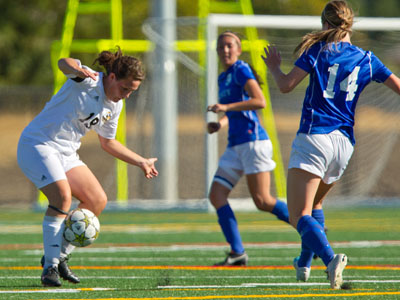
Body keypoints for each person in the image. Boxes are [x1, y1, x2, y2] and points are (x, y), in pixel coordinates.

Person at [262, 0, 400, 289]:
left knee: (298, 213)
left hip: (315, 136)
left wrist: (274, 68)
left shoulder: (318, 51)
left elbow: (286, 85)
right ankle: (303, 261)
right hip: (344, 145)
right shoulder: (367, 58)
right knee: (316, 203)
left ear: (325, 24)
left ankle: (329, 259)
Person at [17, 47, 158, 287]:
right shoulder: (87, 80)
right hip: (38, 145)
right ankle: (49, 268)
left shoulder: (115, 105)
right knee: (62, 197)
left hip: (66, 153)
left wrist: (141, 161)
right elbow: (64, 62)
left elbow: (108, 142)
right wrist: (77, 68)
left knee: (97, 200)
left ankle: (58, 256)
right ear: (111, 77)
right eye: (125, 89)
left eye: (132, 92)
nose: (126, 96)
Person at [206, 31, 290, 266]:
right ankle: (237, 252)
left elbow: (259, 101)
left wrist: (225, 106)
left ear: (239, 49)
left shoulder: (242, 69)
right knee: (216, 195)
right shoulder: (223, 78)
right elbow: (236, 112)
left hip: (253, 143)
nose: (225, 50)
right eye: (221, 46)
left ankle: (310, 228)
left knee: (262, 201)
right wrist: (220, 123)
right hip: (236, 145)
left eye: (230, 46)